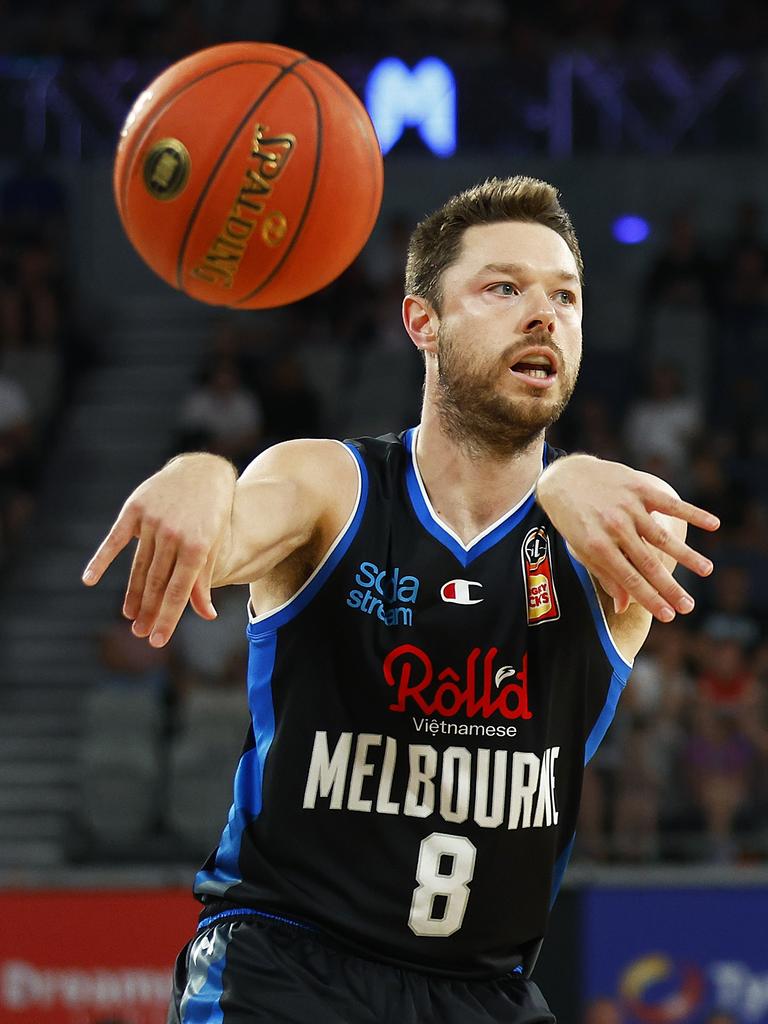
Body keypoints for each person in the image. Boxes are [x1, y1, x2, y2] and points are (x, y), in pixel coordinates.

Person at [83, 176, 719, 1024]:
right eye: (503, 287)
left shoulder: (603, 536)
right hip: (285, 970)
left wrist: (569, 474)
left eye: (565, 295)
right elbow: (229, 522)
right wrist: (198, 470)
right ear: (422, 321)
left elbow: (603, 512)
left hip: (486, 991)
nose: (543, 314)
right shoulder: (331, 485)